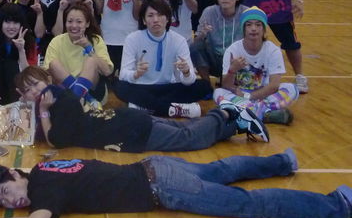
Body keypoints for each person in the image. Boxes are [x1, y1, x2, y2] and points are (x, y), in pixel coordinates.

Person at [0, 152, 352, 218]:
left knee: (247, 204)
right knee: (219, 169)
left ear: (14, 175)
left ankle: (335, 205)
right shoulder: (46, 167)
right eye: (3, 202)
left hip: (161, 186)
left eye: (6, 192)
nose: (12, 201)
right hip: (154, 166)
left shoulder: (43, 190)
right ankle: (283, 161)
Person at [15, 66, 269, 153]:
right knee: (186, 129)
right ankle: (236, 125)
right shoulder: (55, 99)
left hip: (130, 131)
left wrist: (44, 111)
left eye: (35, 84)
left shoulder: (58, 100)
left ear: (47, 80)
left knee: (188, 138)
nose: (34, 92)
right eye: (27, 90)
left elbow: (56, 141)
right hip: (126, 122)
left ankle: (226, 112)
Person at [115, 0, 212, 118]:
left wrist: (186, 72)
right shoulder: (132, 39)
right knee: (120, 86)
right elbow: (123, 74)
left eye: (160, 15)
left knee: (204, 86)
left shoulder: (179, 40)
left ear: (167, 19)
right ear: (144, 20)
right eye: (150, 15)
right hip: (142, 87)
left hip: (168, 87)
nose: (156, 20)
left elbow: (189, 81)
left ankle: (144, 107)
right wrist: (135, 74)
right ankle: (176, 109)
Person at [214, 6, 299, 125]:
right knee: (218, 93)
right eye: (249, 25)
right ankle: (265, 114)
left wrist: (249, 97)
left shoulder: (273, 50)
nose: (253, 29)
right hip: (240, 94)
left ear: (264, 29)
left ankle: (247, 112)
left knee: (292, 89)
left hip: (265, 94)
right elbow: (226, 85)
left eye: (258, 25)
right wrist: (232, 70)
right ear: (243, 29)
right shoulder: (232, 50)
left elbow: (274, 85)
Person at [44, 2, 113, 106]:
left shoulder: (96, 40)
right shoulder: (57, 41)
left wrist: (88, 47)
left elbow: (107, 71)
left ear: (87, 24)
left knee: (91, 60)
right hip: (64, 88)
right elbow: (47, 72)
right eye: (70, 21)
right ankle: (84, 98)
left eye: (79, 22)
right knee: (53, 63)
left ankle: (77, 99)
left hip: (92, 88)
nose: (74, 26)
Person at [190, 0, 249, 83]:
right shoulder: (209, 12)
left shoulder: (246, 13)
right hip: (216, 59)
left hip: (238, 59)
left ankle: (234, 80)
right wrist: (203, 34)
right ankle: (206, 85)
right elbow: (196, 41)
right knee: (195, 46)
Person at [0, 4, 37, 105]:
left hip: (18, 97)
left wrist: (21, 50)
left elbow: (29, 74)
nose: (11, 27)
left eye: (15, 22)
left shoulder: (30, 44)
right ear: (1, 23)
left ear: (21, 24)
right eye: (7, 22)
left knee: (11, 64)